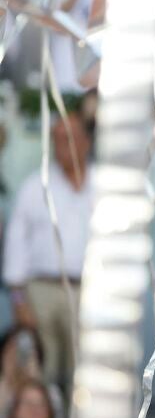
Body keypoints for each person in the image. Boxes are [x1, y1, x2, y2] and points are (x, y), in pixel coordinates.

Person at [2, 113, 93, 397]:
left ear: (86, 142)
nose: (63, 145)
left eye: (70, 138)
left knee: (87, 374)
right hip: (41, 291)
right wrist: (19, 301)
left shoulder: (103, 186)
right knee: (42, 374)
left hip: (90, 292)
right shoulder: (35, 186)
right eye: (57, 138)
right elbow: (16, 246)